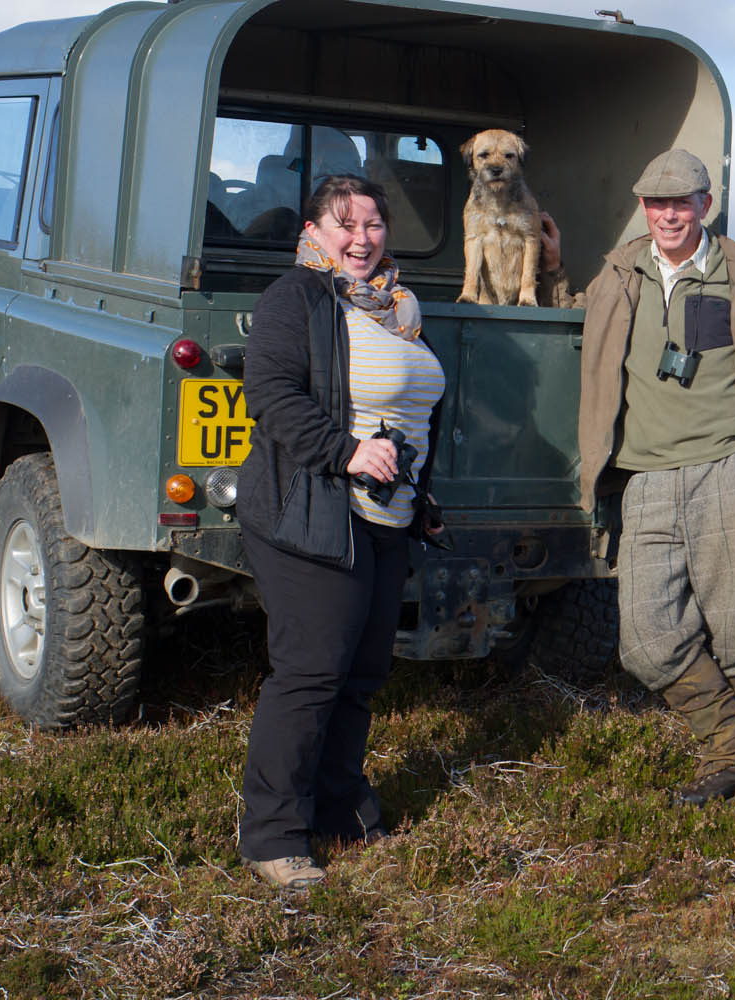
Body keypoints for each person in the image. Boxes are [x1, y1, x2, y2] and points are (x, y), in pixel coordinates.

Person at [546, 148, 735, 805]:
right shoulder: (621, 271)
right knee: (647, 641)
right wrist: (553, 266)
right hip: (646, 479)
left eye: (681, 202)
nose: (668, 214)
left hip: (730, 469)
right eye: (656, 203)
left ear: (705, 204)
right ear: (643, 207)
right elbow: (576, 322)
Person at [235, 174, 445, 888]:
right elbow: (268, 393)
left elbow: (415, 407)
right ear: (316, 232)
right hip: (312, 510)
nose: (361, 237)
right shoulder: (296, 297)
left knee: (360, 675)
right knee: (311, 673)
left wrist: (420, 489)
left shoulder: (398, 306)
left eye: (374, 224)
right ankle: (271, 837)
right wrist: (347, 451)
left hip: (386, 516)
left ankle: (336, 807)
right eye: (344, 223)